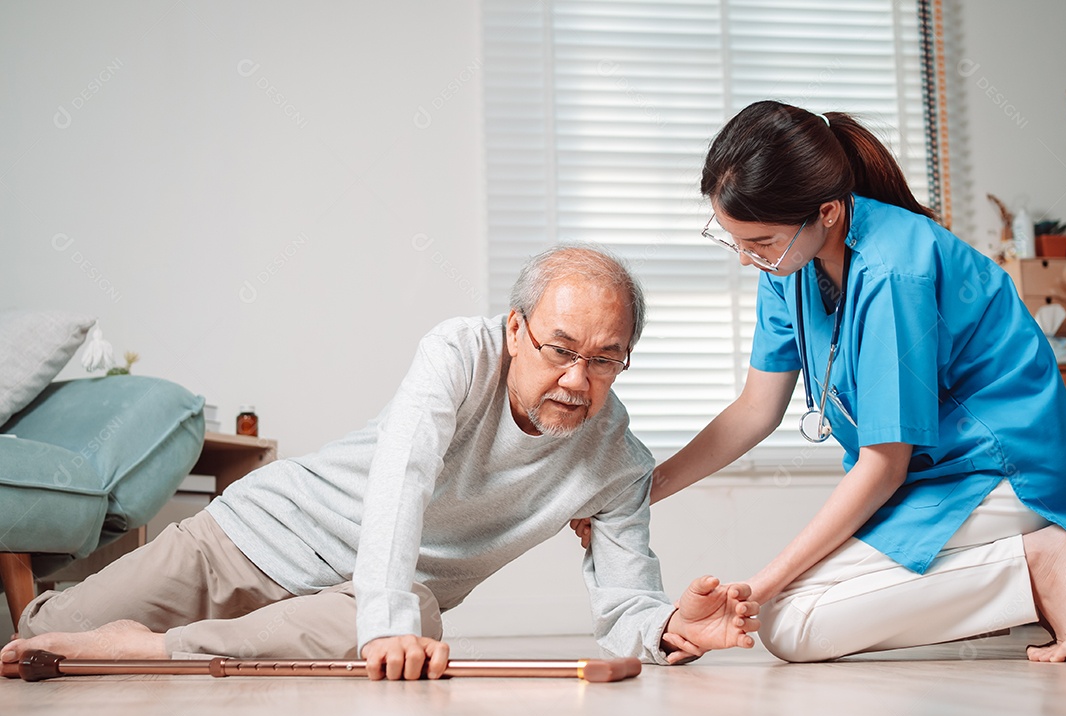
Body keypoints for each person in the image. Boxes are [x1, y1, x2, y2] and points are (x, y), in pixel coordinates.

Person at [2, 245, 759, 681]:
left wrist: (667, 626)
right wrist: (384, 621)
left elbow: (624, 608)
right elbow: (405, 471)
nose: (576, 379)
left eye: (605, 359)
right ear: (515, 330)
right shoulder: (461, 352)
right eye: (560, 349)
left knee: (415, 615)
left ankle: (155, 652)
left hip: (343, 604)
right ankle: (141, 635)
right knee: (37, 638)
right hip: (247, 538)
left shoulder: (619, 465)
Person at [578, 101, 1066, 663]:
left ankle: (1040, 563)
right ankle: (1021, 572)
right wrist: (640, 492)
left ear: (828, 212)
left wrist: (754, 591)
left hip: (1004, 474)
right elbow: (753, 410)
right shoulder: (789, 263)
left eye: (759, 243)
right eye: (735, 240)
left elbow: (884, 463)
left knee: (792, 622)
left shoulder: (894, 272)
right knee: (791, 615)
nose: (746, 259)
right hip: (931, 478)